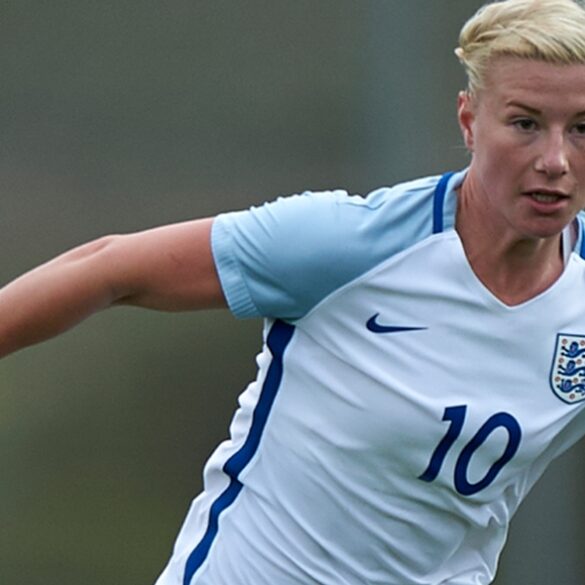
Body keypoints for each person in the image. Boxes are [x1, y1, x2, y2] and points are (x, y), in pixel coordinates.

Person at [2, 0, 585, 583]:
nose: (555, 160)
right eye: (525, 123)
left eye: (581, 128)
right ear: (468, 120)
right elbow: (109, 266)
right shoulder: (349, 244)